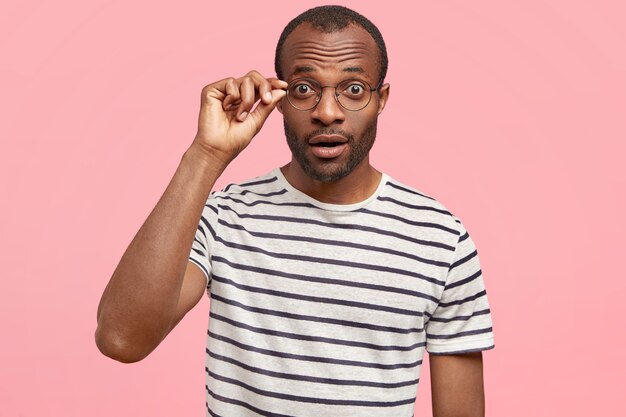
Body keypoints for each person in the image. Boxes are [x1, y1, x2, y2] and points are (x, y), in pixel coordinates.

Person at [96, 5, 495, 417]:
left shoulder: (440, 238)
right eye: (305, 88)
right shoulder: (224, 217)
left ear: (381, 100)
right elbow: (122, 339)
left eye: (354, 89)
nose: (327, 112)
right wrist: (206, 155)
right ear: (280, 99)